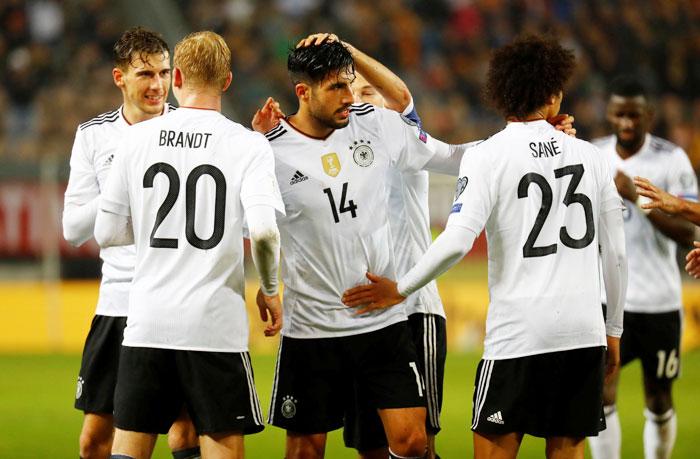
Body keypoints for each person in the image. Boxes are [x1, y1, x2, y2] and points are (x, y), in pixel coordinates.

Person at [342, 35, 628, 459]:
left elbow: (457, 240)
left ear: (500, 91)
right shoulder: (594, 157)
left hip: (519, 333)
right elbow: (617, 255)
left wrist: (400, 288)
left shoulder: (489, 157)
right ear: (553, 96)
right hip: (583, 332)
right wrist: (614, 330)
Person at [262, 36, 467, 459]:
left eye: (350, 84)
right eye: (337, 88)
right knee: (304, 451)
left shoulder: (376, 124)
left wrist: (523, 140)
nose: (348, 96)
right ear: (304, 92)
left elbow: (453, 157)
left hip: (380, 323)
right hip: (312, 327)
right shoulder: (268, 150)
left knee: (412, 441)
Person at [93, 30, 284, 459]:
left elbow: (106, 233)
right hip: (214, 328)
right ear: (229, 80)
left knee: (129, 448)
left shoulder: (135, 140)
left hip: (147, 323)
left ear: (176, 76)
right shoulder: (248, 145)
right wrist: (270, 289)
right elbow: (266, 233)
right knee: (219, 446)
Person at [62, 26, 200, 459]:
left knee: (185, 431)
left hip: (178, 298)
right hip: (119, 302)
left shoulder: (194, 130)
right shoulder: (94, 136)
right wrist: (124, 185)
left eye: (163, 73)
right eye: (145, 74)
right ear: (120, 77)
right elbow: (72, 228)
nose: (157, 85)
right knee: (94, 442)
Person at [587, 76, 697, 459]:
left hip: (659, 303)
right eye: (620, 115)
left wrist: (636, 196)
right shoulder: (592, 154)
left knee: (659, 397)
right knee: (600, 394)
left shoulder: (671, 159)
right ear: (610, 115)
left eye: (634, 115)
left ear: (649, 115)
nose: (627, 123)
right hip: (605, 299)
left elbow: (688, 231)